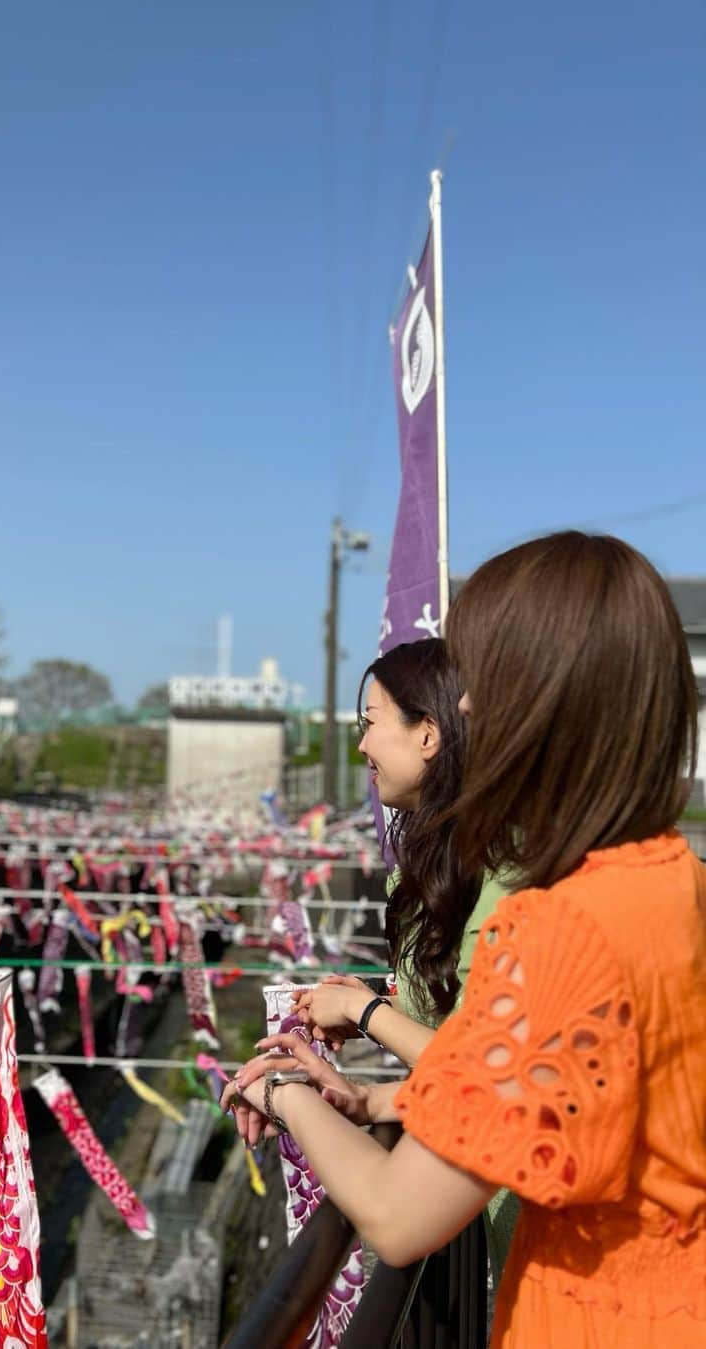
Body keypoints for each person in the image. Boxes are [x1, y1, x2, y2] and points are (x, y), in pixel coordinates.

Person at [223, 533, 705, 1347]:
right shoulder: (676, 876)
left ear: (548, 699)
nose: (470, 709)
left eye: (485, 681)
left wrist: (279, 1093)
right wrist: (385, 1100)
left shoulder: (561, 924)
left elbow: (396, 1217)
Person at [282, 637, 519, 1279]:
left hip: (514, 1213)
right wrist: (375, 1098)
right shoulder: (433, 870)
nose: (361, 747)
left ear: (429, 736)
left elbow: (492, 1070)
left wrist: (361, 1014)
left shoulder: (506, 877)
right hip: (481, 1198)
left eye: (371, 723)